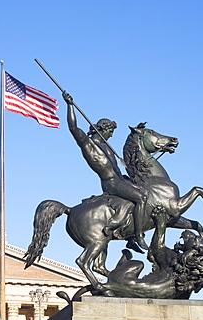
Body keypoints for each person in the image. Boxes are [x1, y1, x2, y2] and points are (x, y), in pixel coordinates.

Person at [63, 91, 149, 250]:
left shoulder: (107, 146)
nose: (111, 135)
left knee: (143, 196)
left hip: (120, 179)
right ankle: (138, 236)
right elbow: (73, 128)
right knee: (142, 198)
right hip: (111, 183)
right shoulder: (88, 144)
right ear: (102, 129)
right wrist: (70, 106)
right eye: (110, 131)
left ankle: (128, 237)